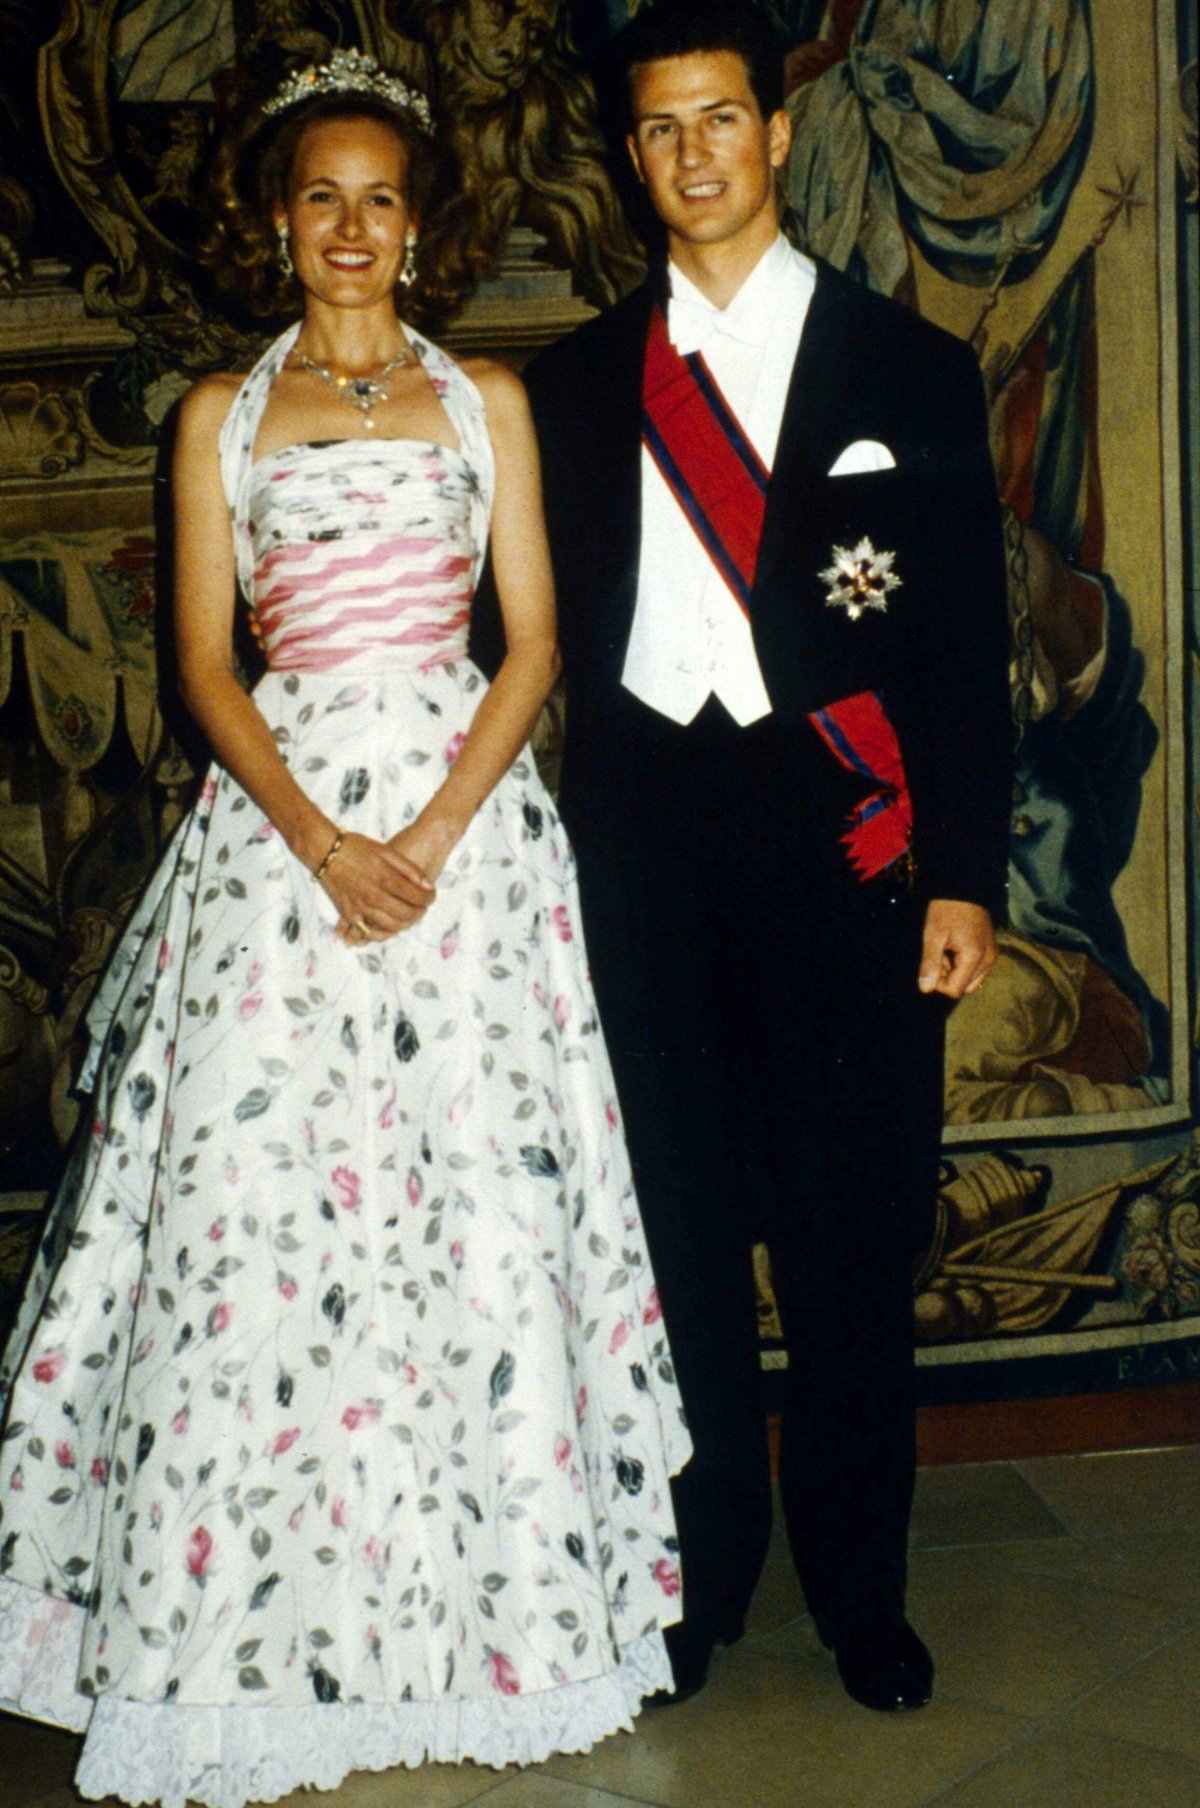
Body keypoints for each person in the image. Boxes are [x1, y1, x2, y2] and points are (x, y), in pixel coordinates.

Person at [0, 50, 689, 1807]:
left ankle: (493, 1619)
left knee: (467, 1191)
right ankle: (238, 1638)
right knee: (258, 1208)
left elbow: (530, 643)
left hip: (463, 840)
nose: (353, 228)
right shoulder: (217, 412)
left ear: (419, 219)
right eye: (322, 197)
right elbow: (201, 664)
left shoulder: (492, 405)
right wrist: (320, 841)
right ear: (278, 221)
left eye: (383, 196)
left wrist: (437, 835)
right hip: (282, 836)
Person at [473, 0, 1011, 1713]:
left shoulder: (904, 368)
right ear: (631, 158)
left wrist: (965, 877)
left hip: (851, 851)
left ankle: (864, 1594)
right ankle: (695, 1584)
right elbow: (506, 634)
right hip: (646, 859)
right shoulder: (564, 391)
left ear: (775, 135)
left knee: (853, 1243)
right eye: (659, 131)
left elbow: (961, 658)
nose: (693, 155)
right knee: (679, 1243)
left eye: (720, 120)